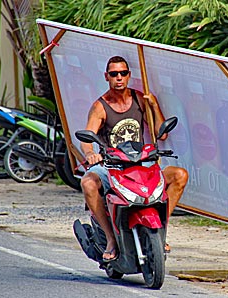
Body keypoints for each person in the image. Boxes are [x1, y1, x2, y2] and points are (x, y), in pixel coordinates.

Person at [80, 56, 188, 261]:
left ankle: (160, 231)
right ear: (106, 77)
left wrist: (154, 106)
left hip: (142, 163)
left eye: (123, 73)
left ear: (129, 75)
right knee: (88, 183)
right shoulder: (100, 107)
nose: (119, 78)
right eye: (114, 74)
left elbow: (161, 135)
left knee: (179, 175)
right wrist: (90, 154)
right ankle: (111, 238)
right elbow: (86, 138)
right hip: (112, 166)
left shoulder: (141, 99)